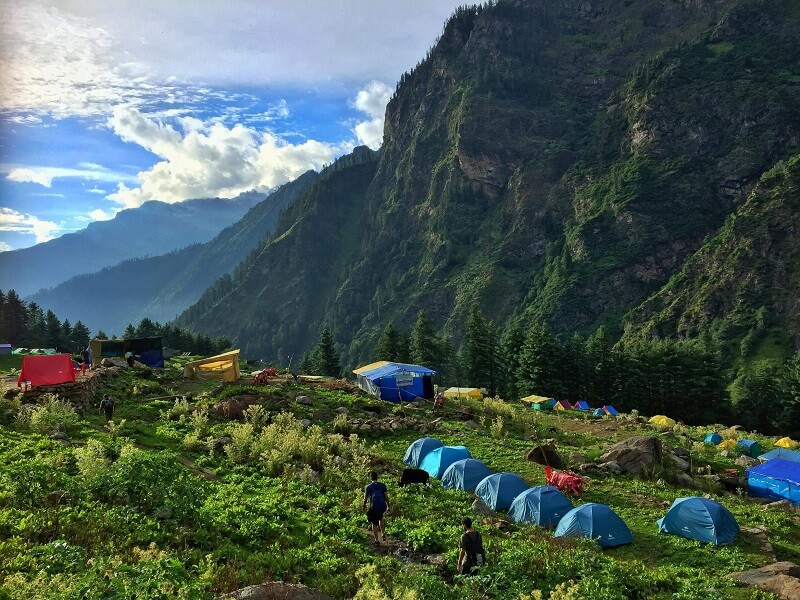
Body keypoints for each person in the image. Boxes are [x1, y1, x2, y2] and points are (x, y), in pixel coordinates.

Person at [362, 471, 390, 545]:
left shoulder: (368, 487)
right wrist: (388, 507)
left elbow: (365, 499)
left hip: (373, 507)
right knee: (380, 518)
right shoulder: (382, 485)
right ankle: (383, 534)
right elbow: (386, 497)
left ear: (370, 478)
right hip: (381, 506)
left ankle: (376, 540)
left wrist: (364, 505)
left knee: (374, 523)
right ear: (377, 477)